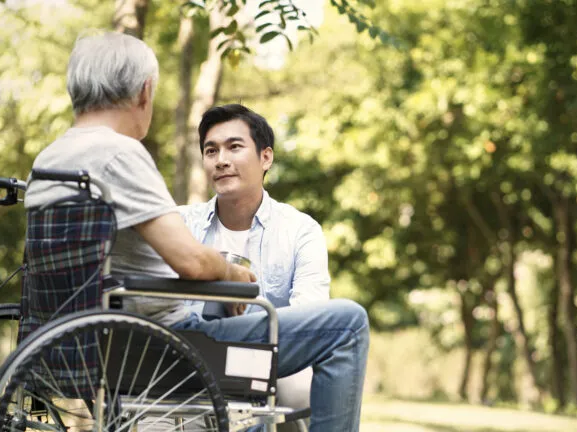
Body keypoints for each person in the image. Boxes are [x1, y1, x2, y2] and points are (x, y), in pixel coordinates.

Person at [23, 32, 369, 432]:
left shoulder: (50, 159)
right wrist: (236, 274)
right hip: (170, 348)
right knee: (349, 323)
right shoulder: (119, 153)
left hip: (88, 342)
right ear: (144, 91)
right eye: (211, 150)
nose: (221, 160)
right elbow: (190, 261)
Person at [179, 104, 329, 420]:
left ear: (266, 157)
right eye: (211, 151)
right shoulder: (179, 225)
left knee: (306, 386)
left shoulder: (300, 230)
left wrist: (250, 310)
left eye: (234, 147)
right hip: (191, 356)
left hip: (272, 358)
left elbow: (309, 315)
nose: (221, 160)